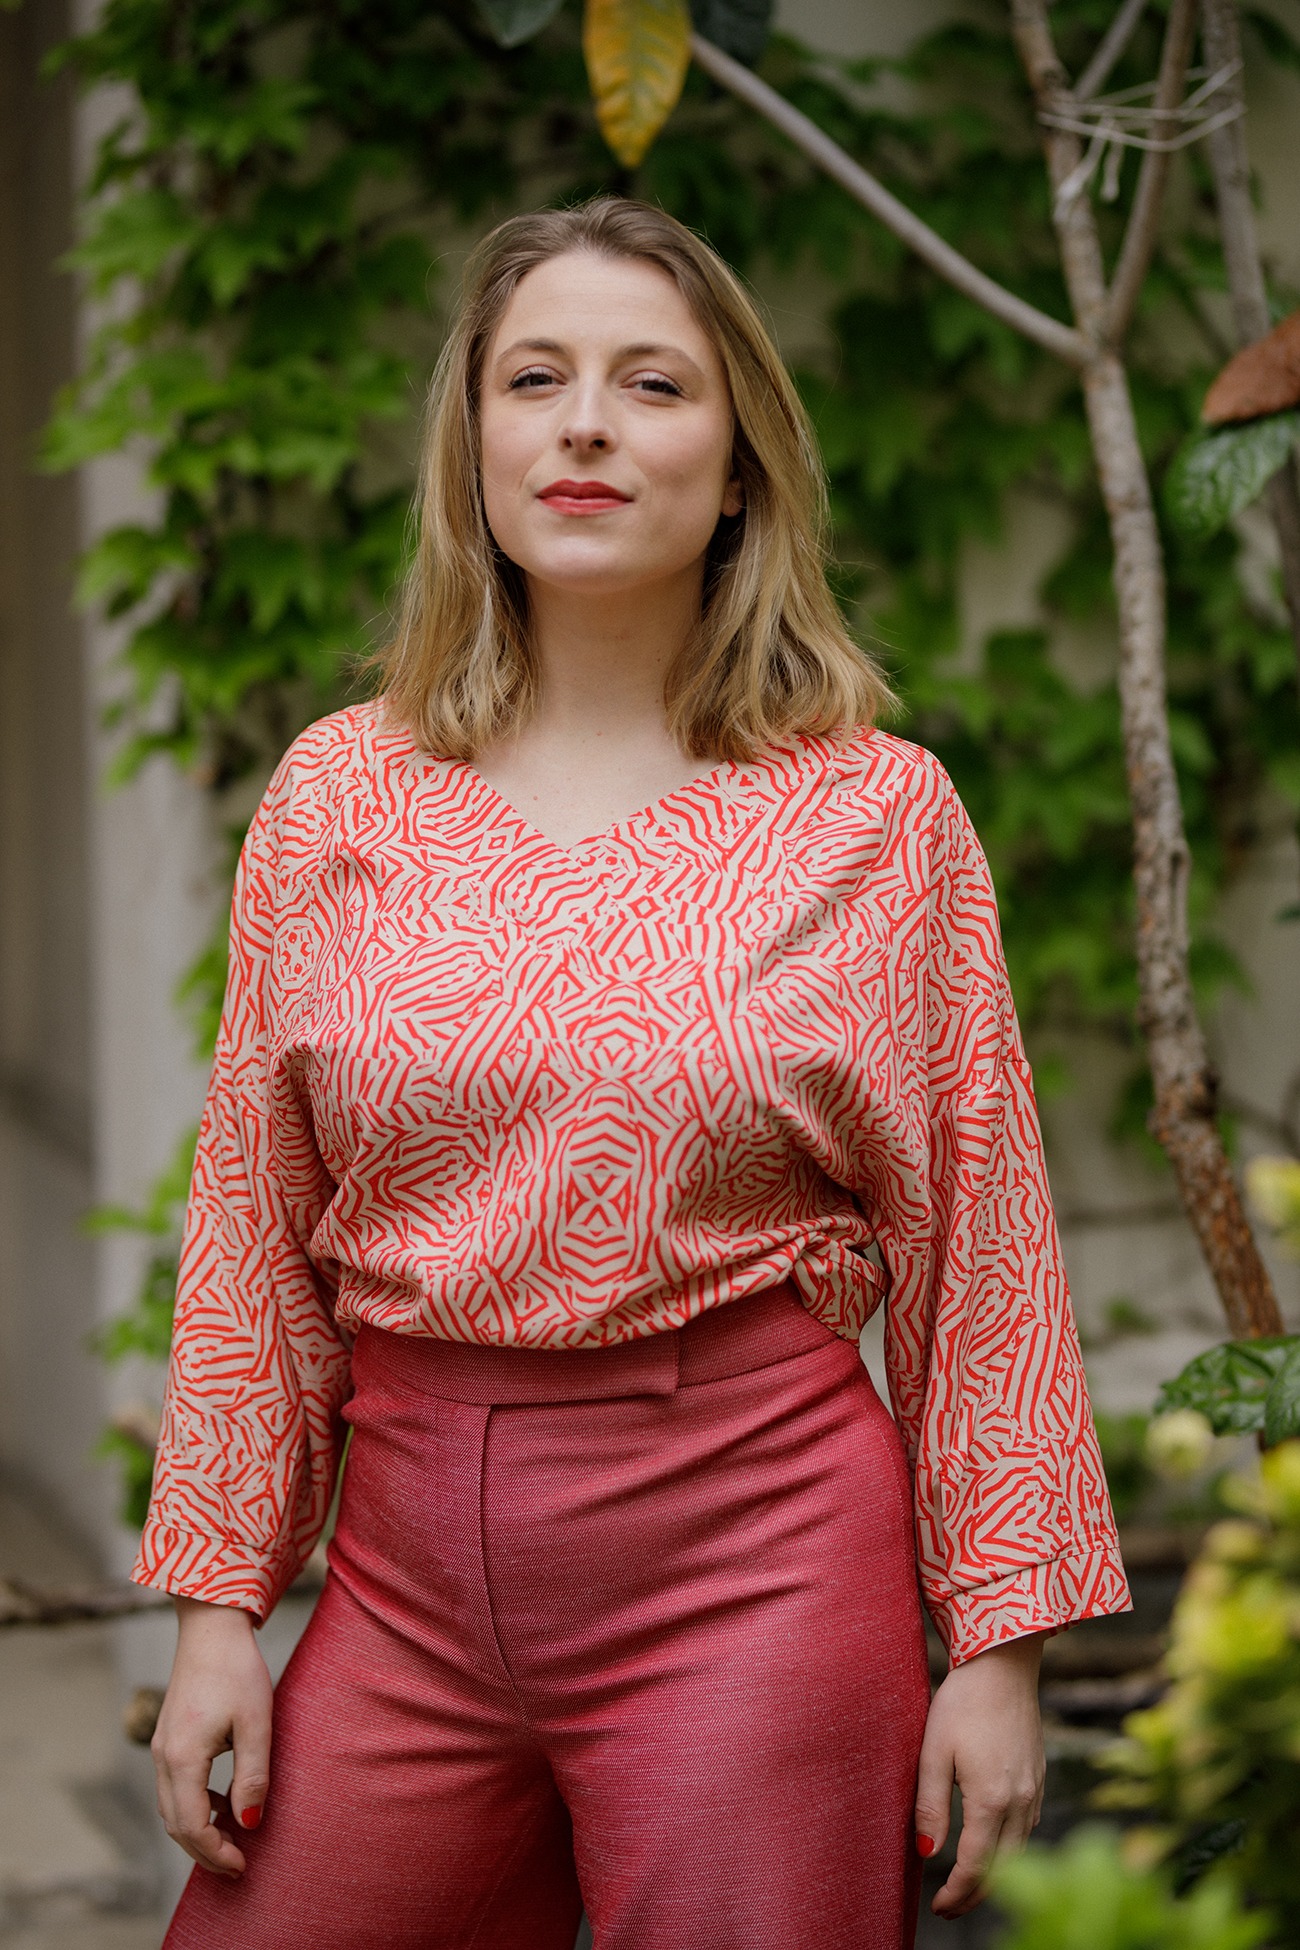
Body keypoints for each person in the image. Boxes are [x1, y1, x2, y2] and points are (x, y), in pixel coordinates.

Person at [135, 197, 1130, 1950]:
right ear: (476, 445)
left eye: (652, 384)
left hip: (756, 1557)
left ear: (738, 466)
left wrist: (1000, 1644)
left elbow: (980, 1234)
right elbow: (251, 1220)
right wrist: (219, 1607)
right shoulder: (338, 795)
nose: (584, 424)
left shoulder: (875, 814)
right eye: (535, 379)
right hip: (404, 1572)